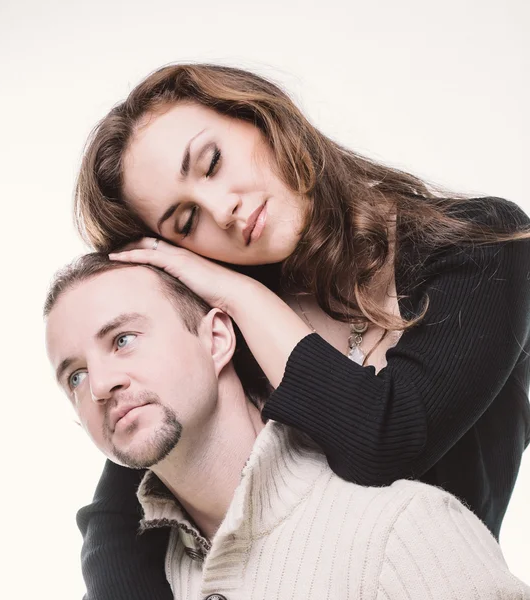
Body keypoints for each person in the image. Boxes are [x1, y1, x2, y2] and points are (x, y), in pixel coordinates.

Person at [73, 64, 530, 598]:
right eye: (186, 222)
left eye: (213, 163)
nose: (223, 210)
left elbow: (387, 439)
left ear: (260, 115)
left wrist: (241, 294)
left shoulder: (481, 247)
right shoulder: (221, 335)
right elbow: (119, 515)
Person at [46, 254, 529, 600]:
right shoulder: (134, 574)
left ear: (216, 338)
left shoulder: (403, 531)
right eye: (76, 376)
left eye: (124, 339)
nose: (101, 385)